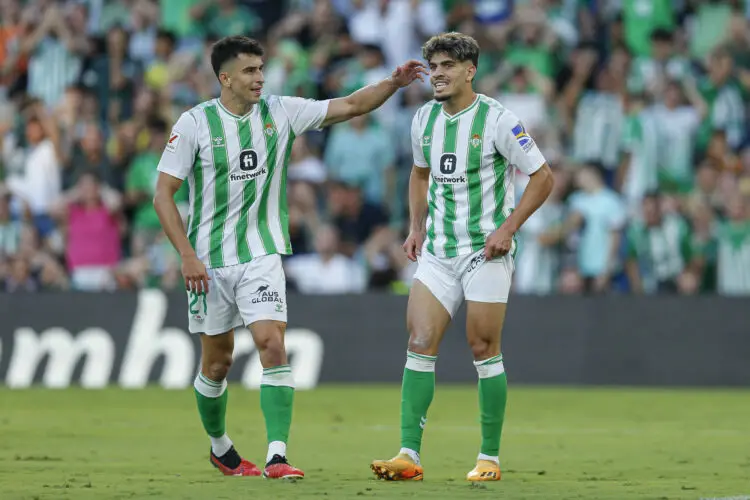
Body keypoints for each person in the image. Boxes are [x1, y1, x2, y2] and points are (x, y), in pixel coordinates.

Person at [153, 35, 426, 479]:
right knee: (217, 363)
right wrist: (185, 254)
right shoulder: (194, 124)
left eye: (261, 69)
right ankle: (221, 448)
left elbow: (351, 106)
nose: (259, 78)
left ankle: (277, 456)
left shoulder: (281, 111)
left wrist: (392, 84)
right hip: (207, 261)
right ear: (225, 78)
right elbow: (163, 196)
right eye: (249, 71)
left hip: (261, 254)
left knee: (272, 346)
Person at [370, 32, 554, 482]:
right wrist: (415, 227)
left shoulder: (498, 120)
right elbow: (418, 173)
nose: (437, 74)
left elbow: (543, 177)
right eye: (433, 67)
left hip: (484, 252)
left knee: (482, 346)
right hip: (438, 251)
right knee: (419, 342)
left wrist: (508, 228)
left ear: (470, 70)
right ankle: (408, 455)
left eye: (447, 66)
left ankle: (489, 457)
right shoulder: (423, 120)